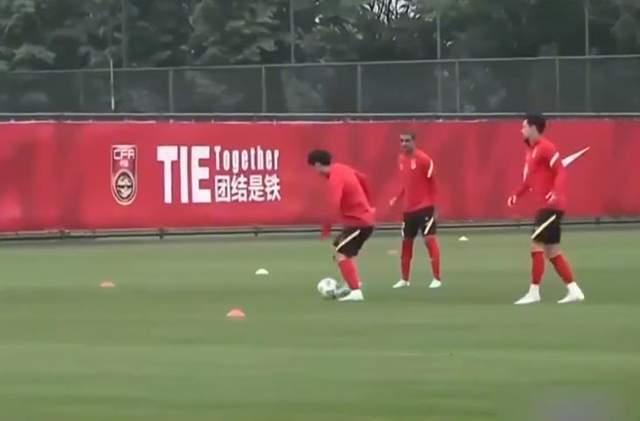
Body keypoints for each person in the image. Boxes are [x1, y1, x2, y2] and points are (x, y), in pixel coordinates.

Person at [508, 114, 585, 305]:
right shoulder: (531, 151)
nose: (521, 130)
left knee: (536, 245)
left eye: (524, 126)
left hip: (551, 207)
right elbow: (529, 181)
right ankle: (574, 290)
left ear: (534, 128)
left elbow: (560, 170)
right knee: (552, 251)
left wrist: (556, 192)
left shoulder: (546, 147)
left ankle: (534, 292)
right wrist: (516, 194)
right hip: (545, 206)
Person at [307, 150, 375, 302]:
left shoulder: (334, 179)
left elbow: (333, 205)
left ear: (317, 165)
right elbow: (363, 179)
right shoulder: (342, 168)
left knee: (341, 254)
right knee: (345, 251)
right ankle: (353, 284)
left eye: (314, 168)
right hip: (359, 221)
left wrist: (326, 228)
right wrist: (369, 203)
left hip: (360, 222)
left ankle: (356, 292)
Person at [389, 133, 442, 290]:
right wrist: (397, 198)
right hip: (408, 210)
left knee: (429, 240)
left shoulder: (424, 159)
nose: (404, 144)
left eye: (407, 141)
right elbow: (405, 183)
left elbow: (433, 183)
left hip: (425, 207)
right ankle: (404, 279)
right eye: (401, 141)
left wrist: (436, 206)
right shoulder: (401, 159)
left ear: (414, 141)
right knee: (406, 242)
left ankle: (436, 278)